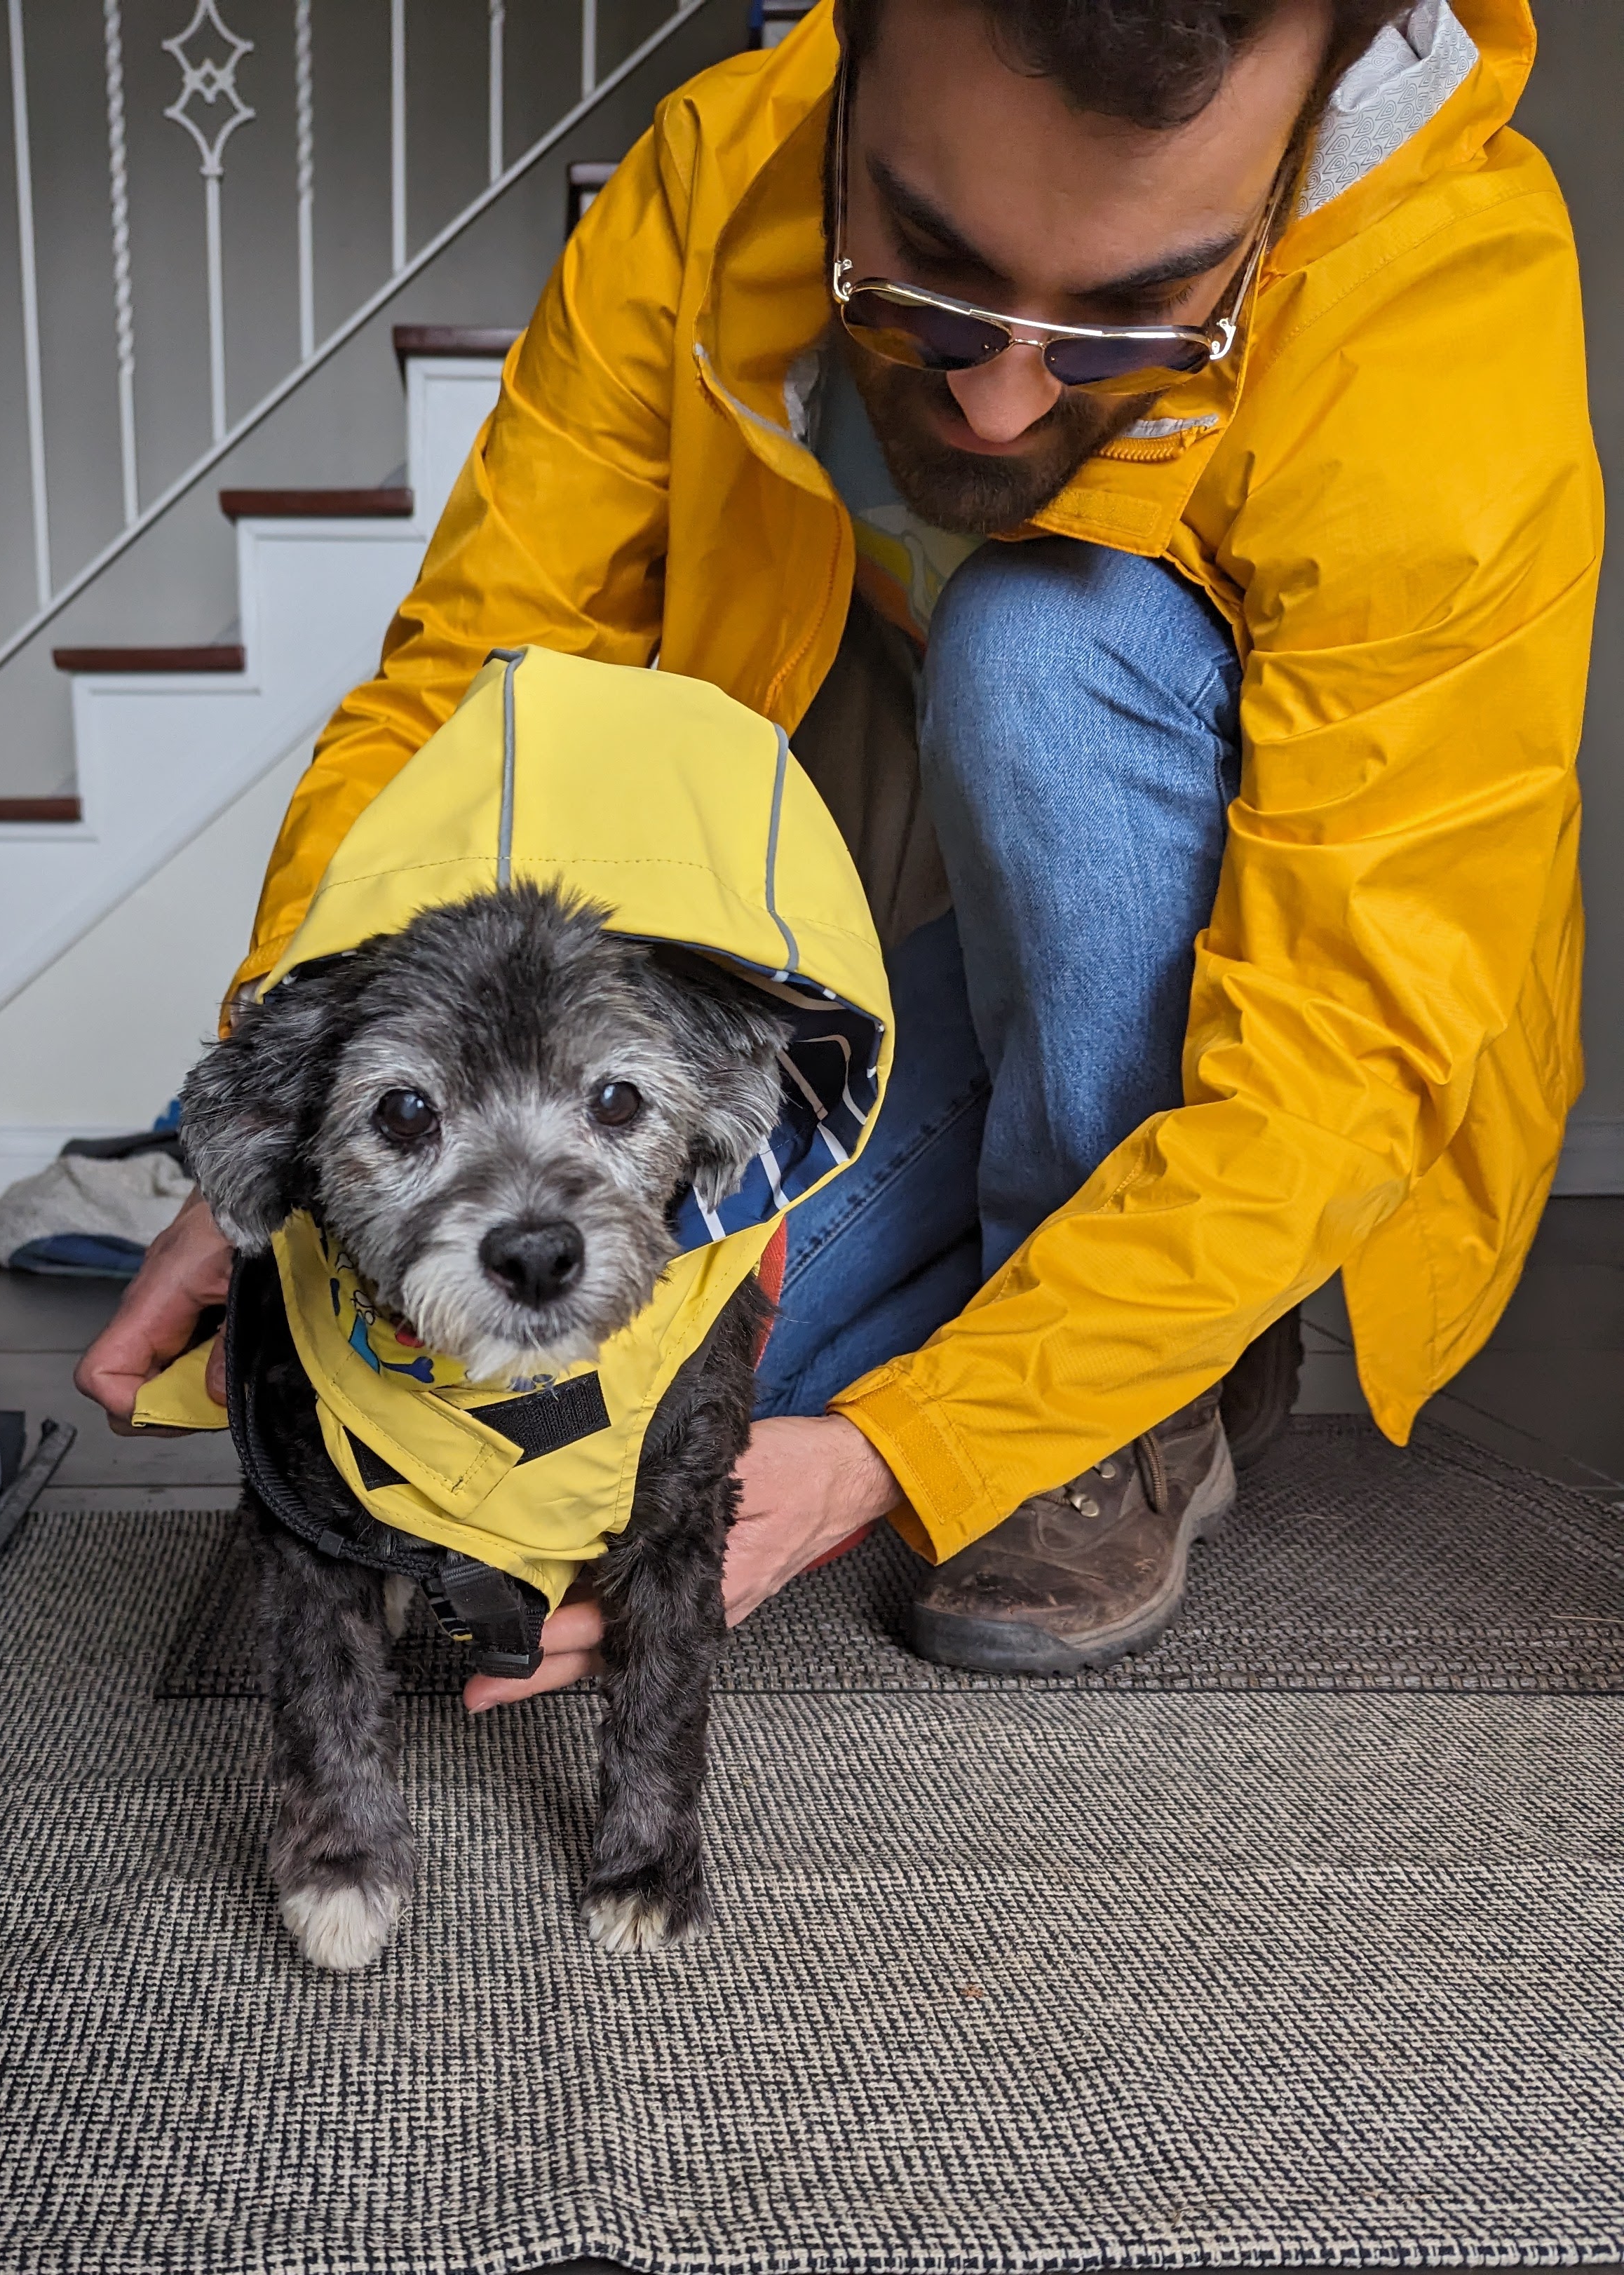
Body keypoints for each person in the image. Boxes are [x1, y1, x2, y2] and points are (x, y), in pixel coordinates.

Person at [77, 0, 1597, 1696]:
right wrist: (301, 1101)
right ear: (850, 54)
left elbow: (1348, 1049)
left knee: (1048, 639)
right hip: (853, 976)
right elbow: (471, 694)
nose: (1011, 402)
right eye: (932, 282)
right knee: (522, 1448)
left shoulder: (1444, 306)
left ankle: (1142, 1383)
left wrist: (897, 1457)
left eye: (1130, 325)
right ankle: (1022, 1306)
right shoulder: (717, 175)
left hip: (1213, 1054)